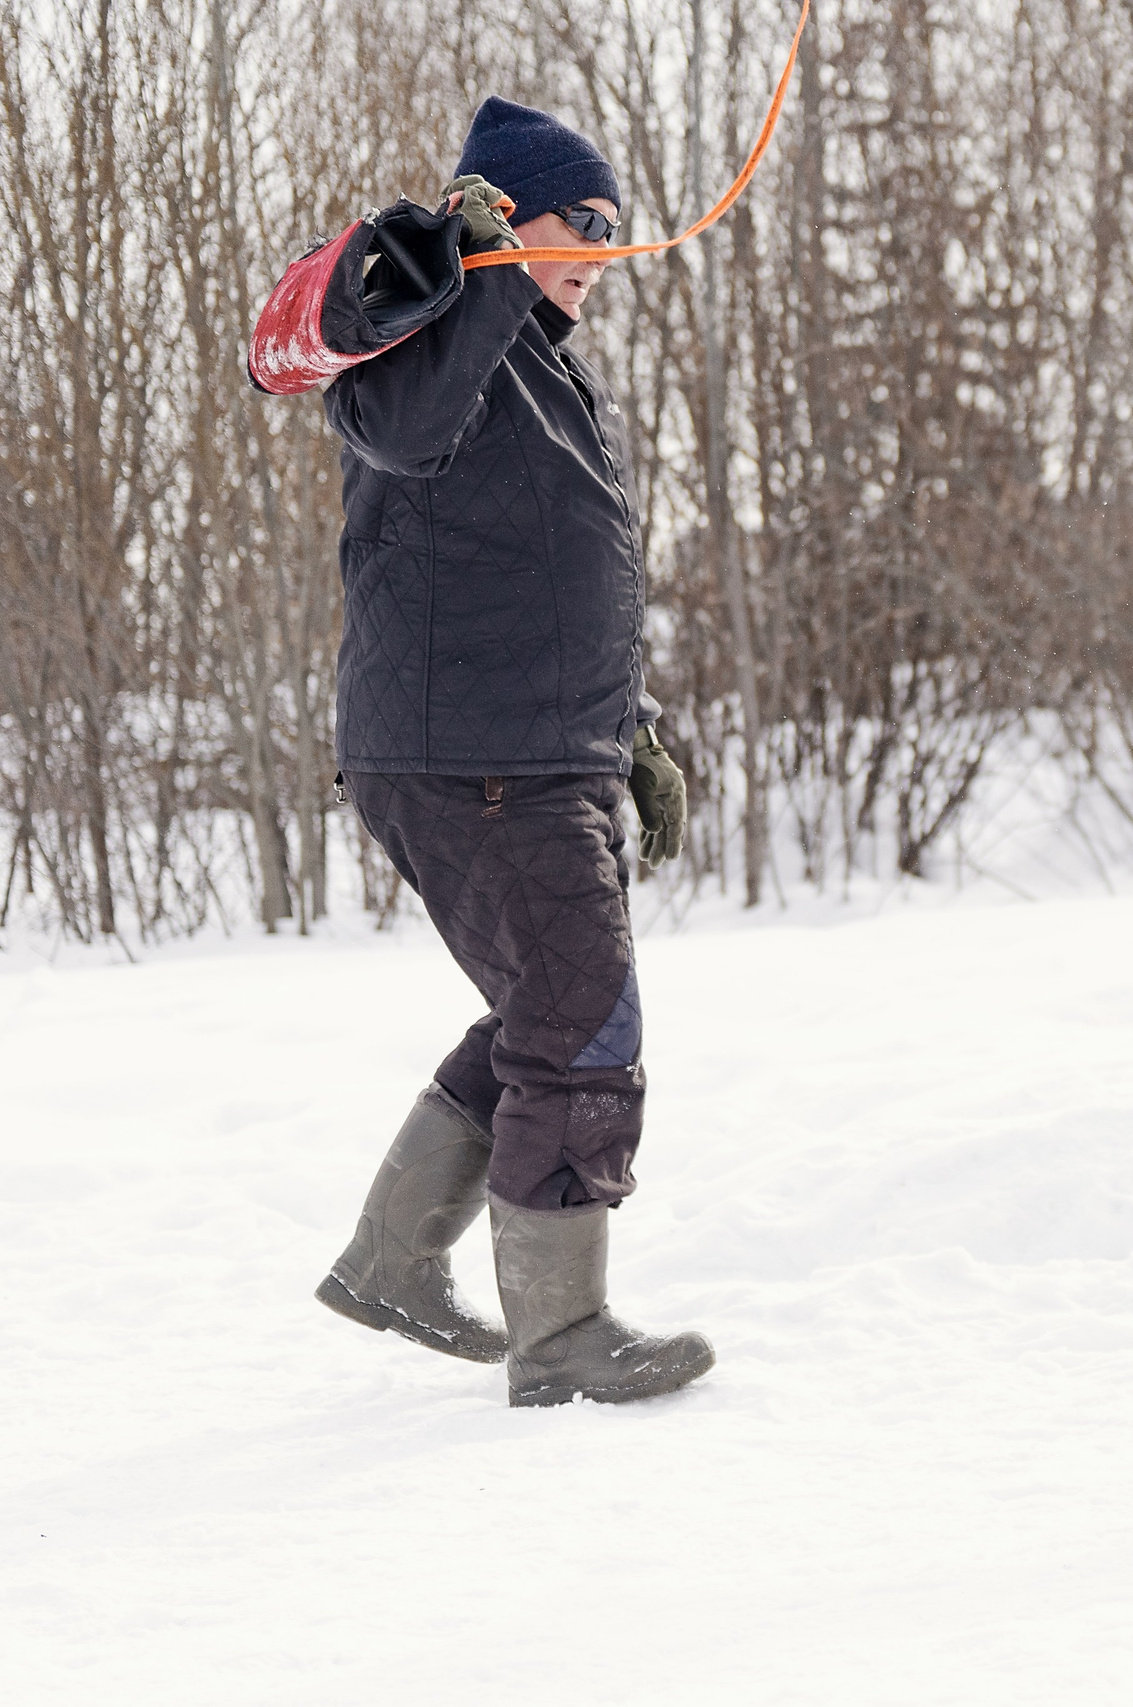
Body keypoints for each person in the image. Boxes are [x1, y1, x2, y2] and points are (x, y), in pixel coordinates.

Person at [308, 97, 713, 1408]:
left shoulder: (540, 358)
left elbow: (546, 570)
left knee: (549, 1003)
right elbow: (405, 430)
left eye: (615, 225)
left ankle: (391, 1259)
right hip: (471, 749)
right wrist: (474, 273)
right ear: (501, 215)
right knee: (584, 1016)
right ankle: (562, 1336)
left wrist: (627, 724)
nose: (603, 244)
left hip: (538, 745)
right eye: (576, 221)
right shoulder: (431, 325)